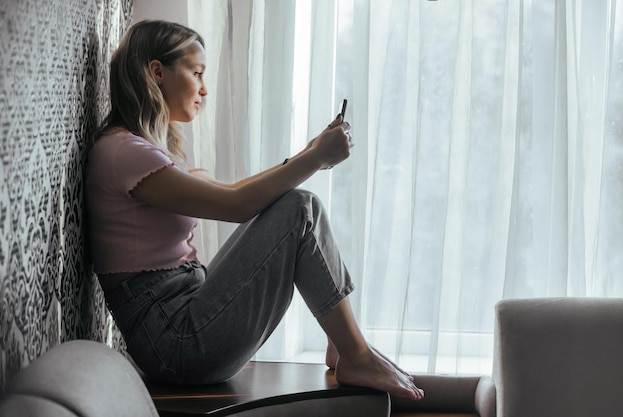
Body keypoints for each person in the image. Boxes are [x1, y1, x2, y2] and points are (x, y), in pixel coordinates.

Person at [85, 19, 423, 400]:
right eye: (196, 72)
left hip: (182, 318)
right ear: (157, 72)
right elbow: (237, 205)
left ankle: (346, 346)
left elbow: (234, 191)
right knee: (298, 208)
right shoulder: (124, 153)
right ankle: (354, 353)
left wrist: (310, 154)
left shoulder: (139, 152)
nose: (204, 88)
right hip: (176, 344)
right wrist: (313, 159)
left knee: (297, 207)